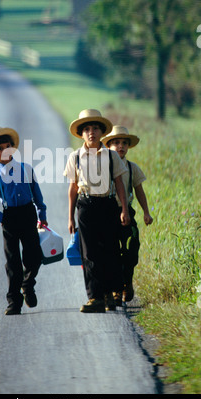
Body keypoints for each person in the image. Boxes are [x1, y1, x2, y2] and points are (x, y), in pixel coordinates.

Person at [64, 109, 130, 313]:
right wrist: (70, 218)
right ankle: (95, 297)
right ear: (81, 134)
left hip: (108, 205)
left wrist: (124, 210)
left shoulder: (111, 156)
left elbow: (119, 184)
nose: (91, 132)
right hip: (85, 207)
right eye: (87, 129)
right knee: (89, 252)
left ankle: (110, 294)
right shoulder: (75, 157)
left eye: (95, 129)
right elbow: (73, 189)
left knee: (110, 250)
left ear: (102, 133)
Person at [0, 126, 48, 315]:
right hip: (9, 217)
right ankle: (14, 301)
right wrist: (1, 217)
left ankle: (28, 284)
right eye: (0, 148)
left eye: (8, 146)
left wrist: (42, 216)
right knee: (13, 262)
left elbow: (37, 196)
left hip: (28, 214)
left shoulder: (26, 169)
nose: (5, 150)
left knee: (34, 257)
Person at [103, 125, 153, 304]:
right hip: (108, 211)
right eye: (116, 142)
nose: (120, 146)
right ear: (108, 146)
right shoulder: (103, 166)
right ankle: (117, 289)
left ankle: (127, 282)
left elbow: (139, 191)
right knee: (112, 252)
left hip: (127, 212)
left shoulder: (132, 168)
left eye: (124, 143)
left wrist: (146, 212)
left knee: (131, 249)